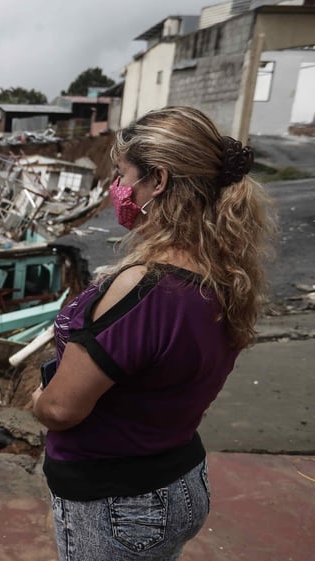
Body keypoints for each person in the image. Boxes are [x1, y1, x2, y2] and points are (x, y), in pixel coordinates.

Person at [30, 106, 276, 561]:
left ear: (157, 181)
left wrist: (39, 400)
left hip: (118, 500)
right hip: (179, 478)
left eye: (123, 175)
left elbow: (62, 409)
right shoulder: (223, 274)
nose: (116, 189)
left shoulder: (147, 289)